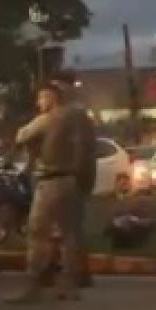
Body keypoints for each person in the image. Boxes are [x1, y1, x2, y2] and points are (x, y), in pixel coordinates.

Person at [6, 82, 81, 303]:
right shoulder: (71, 119)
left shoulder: (48, 118)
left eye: (41, 98)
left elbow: (22, 135)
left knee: (37, 232)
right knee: (68, 235)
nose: (39, 103)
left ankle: (33, 285)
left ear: (51, 98)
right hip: (70, 181)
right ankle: (68, 287)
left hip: (50, 183)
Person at [50, 71, 97, 288]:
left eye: (58, 88)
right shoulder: (71, 112)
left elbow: (80, 146)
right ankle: (79, 272)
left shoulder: (74, 113)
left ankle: (76, 273)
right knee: (71, 226)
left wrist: (73, 172)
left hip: (74, 175)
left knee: (70, 227)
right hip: (77, 174)